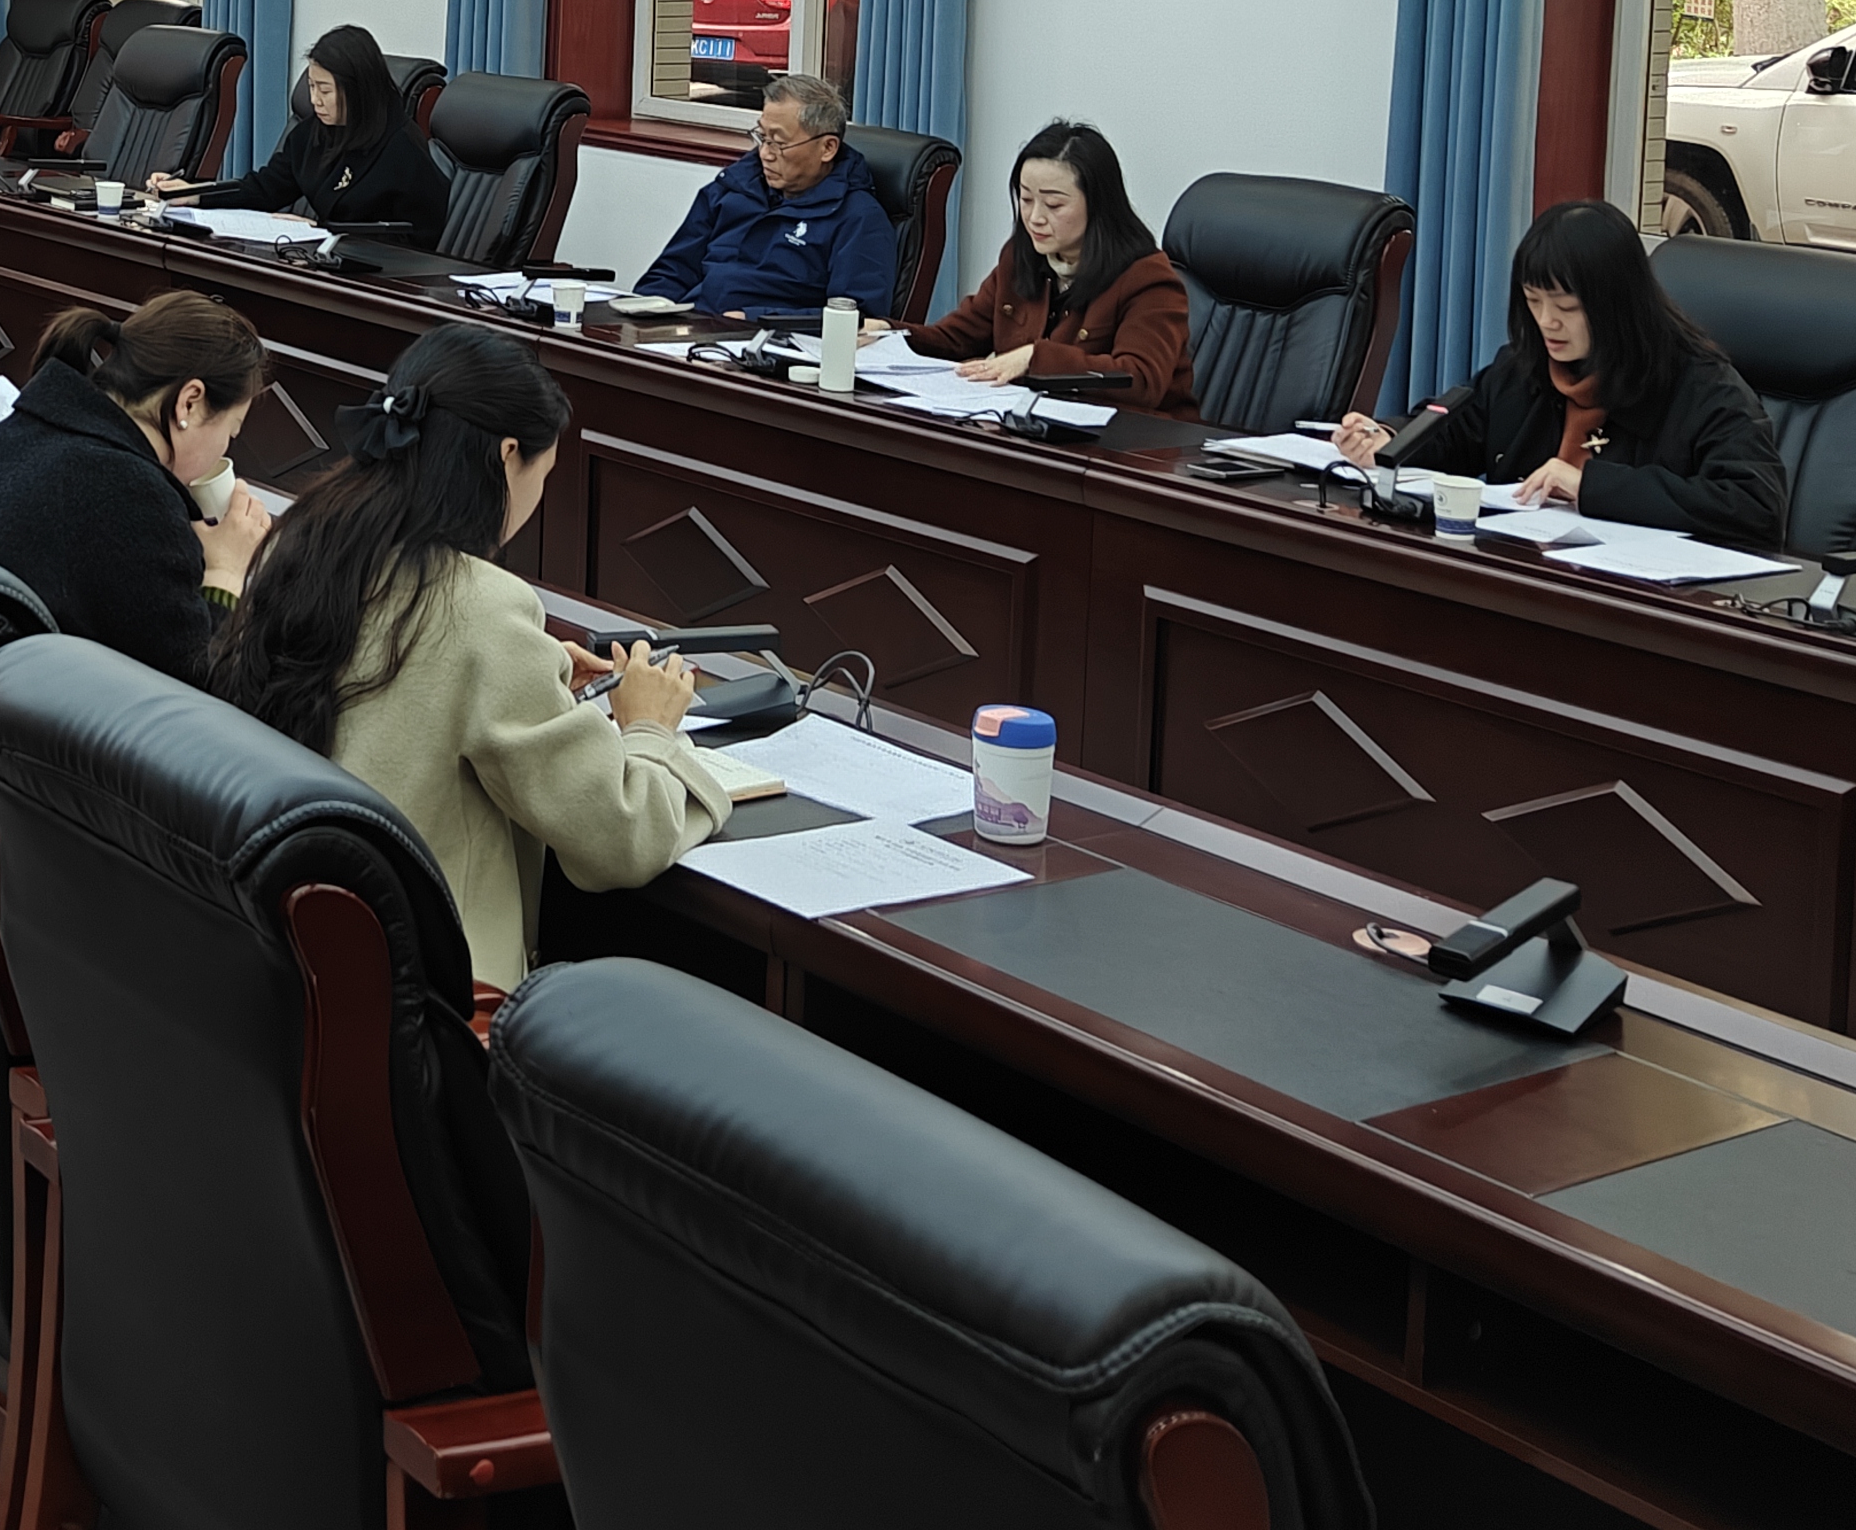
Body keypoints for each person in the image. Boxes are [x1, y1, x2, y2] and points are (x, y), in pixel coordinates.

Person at [207, 322, 744, 991]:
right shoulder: (484, 608)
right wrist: (651, 730)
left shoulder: (308, 542)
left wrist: (533, 670)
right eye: (544, 475)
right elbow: (620, 838)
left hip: (289, 960)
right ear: (508, 455)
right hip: (437, 998)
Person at [1329, 200, 1791, 548]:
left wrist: (1589, 485)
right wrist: (1390, 438)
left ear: (1617, 305)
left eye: (1566, 307)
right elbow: (1456, 432)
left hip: (1644, 605)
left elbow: (1755, 506)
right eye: (1534, 301)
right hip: (1525, 577)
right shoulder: (1524, 367)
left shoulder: (1700, 386)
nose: (1547, 321)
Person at [0, 292, 276, 681]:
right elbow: (198, 684)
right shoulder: (133, 497)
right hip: (12, 707)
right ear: (189, 403)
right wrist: (227, 573)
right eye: (231, 431)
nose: (226, 448)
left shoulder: (19, 432)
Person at [895, 120, 1193, 413]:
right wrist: (888, 333)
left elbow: (1141, 381)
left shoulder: (1146, 278)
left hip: (1136, 438)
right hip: (1034, 426)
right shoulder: (1020, 257)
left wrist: (1033, 358)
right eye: (1026, 199)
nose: (1035, 217)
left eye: (1053, 205)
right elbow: (957, 338)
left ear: (1098, 204)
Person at [145, 23, 450, 243]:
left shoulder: (401, 147)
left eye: (324, 90)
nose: (315, 99)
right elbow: (266, 189)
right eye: (311, 87)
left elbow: (415, 240)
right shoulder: (313, 133)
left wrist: (323, 231)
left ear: (357, 91)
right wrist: (194, 193)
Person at [633, 71, 896, 322]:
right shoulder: (734, 187)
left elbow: (856, 317)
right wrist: (646, 311)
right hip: (689, 329)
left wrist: (754, 319)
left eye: (779, 143)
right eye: (762, 137)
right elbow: (673, 270)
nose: (765, 154)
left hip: (766, 341)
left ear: (827, 148)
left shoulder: (858, 218)